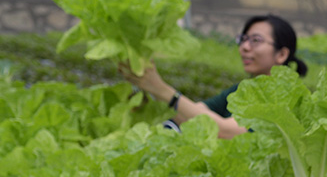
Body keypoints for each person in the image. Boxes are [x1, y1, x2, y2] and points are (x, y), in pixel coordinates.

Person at [119, 13, 308, 138]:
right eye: (243, 39)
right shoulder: (241, 90)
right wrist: (151, 99)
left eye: (256, 40)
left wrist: (164, 91)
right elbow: (193, 114)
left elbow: (227, 131)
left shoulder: (283, 97)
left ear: (282, 54)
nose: (245, 47)